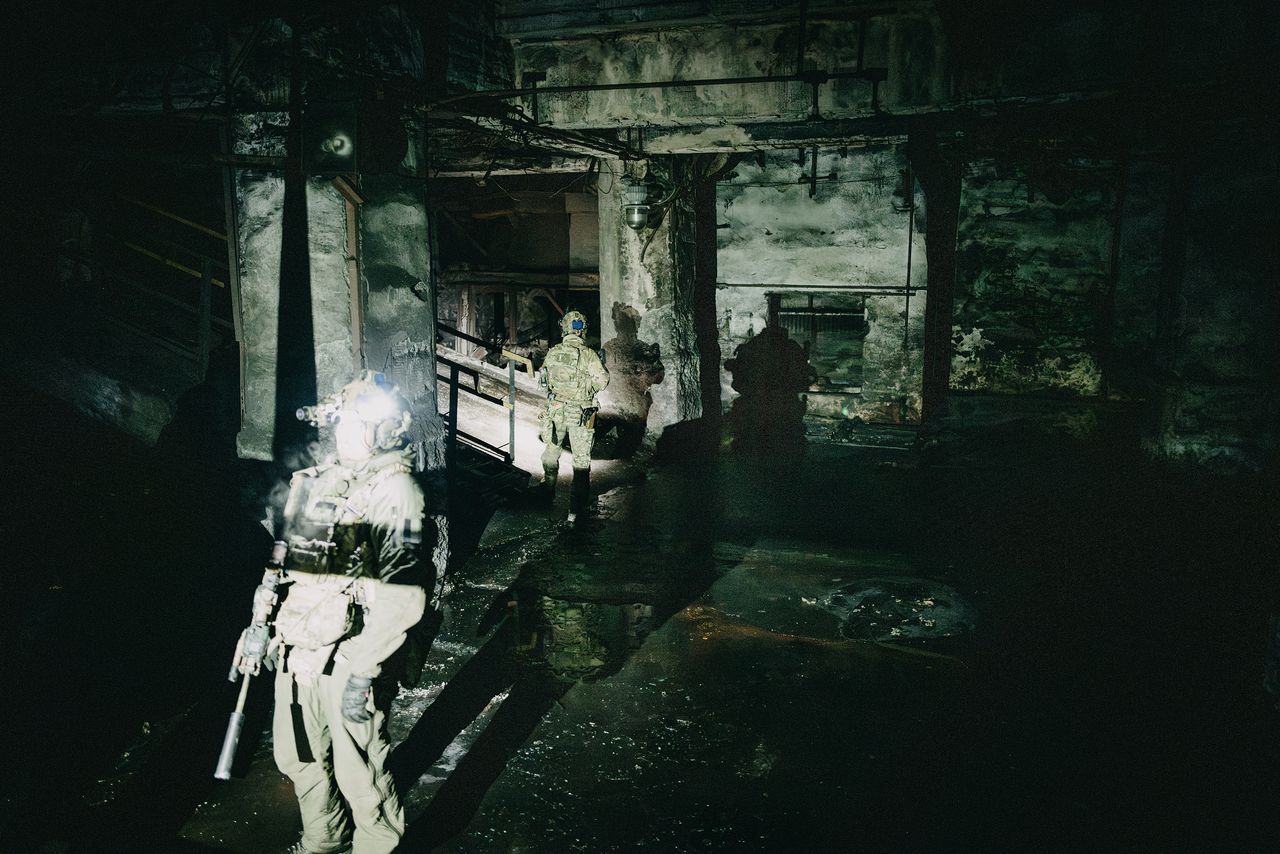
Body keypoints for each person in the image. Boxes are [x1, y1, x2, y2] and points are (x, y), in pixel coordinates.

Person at [230, 371, 429, 854]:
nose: (344, 434)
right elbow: (280, 562)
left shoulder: (395, 491)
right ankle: (324, 837)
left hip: (349, 652)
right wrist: (258, 627)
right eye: (341, 423)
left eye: (358, 424)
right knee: (298, 757)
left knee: (358, 768)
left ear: (383, 431)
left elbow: (402, 595)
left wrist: (363, 672)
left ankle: (377, 845)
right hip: (298, 646)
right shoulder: (314, 482)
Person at [538, 310, 609, 521]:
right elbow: (603, 381)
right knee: (580, 460)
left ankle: (547, 492)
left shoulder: (553, 352)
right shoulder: (588, 354)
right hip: (580, 413)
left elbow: (543, 383)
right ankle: (575, 511)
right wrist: (587, 387)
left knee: (551, 451)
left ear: (564, 328)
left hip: (556, 410)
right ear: (582, 330)